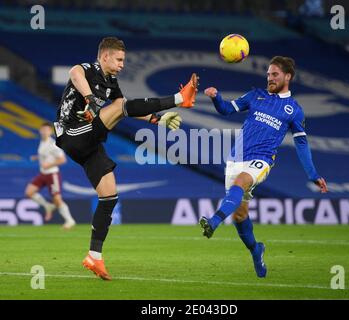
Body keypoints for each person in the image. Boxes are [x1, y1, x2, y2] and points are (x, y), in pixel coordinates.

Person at [54, 37, 198, 280]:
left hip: (91, 142)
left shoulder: (111, 83)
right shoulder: (87, 70)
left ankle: (94, 257)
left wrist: (157, 119)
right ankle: (178, 98)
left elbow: (125, 106)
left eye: (124, 60)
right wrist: (90, 98)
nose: (122, 64)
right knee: (119, 109)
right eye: (119, 59)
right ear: (105, 56)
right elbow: (74, 73)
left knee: (109, 195)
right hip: (71, 132)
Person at [200, 56, 328, 278]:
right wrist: (215, 97)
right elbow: (226, 110)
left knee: (240, 182)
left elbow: (301, 143)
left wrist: (313, 174)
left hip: (262, 160)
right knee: (240, 216)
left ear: (287, 76)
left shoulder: (294, 110)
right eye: (268, 74)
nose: (270, 78)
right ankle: (256, 250)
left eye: (275, 74)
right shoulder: (255, 95)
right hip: (236, 158)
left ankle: (213, 221)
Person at [25, 122, 76, 229]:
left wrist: (49, 164)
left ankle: (70, 220)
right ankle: (47, 206)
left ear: (50, 132)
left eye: (47, 130)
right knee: (29, 192)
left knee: (57, 199)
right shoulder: (42, 142)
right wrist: (37, 158)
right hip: (43, 173)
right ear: (40, 131)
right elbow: (46, 156)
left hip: (52, 174)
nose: (44, 132)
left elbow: (62, 160)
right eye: (43, 129)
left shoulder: (53, 144)